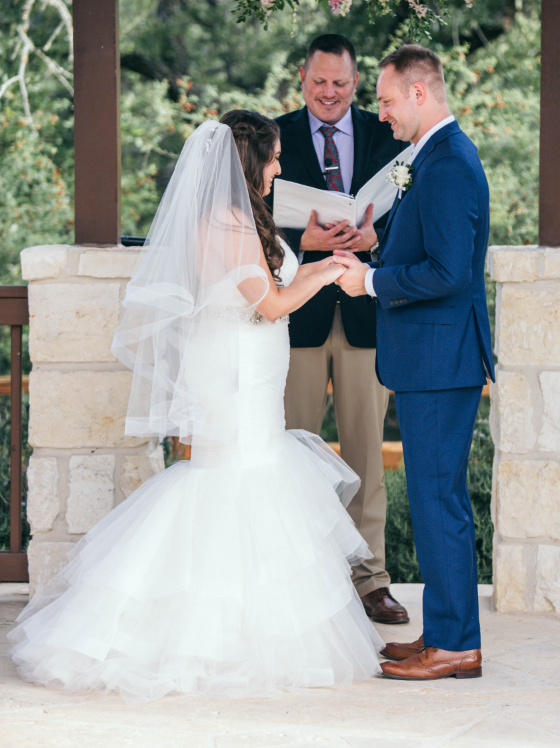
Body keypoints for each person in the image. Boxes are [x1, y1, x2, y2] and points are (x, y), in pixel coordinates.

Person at [9, 111, 383, 701]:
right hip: (232, 372)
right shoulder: (226, 225)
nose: (281, 167)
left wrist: (318, 265)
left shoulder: (240, 219)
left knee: (250, 476)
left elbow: (273, 284)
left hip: (247, 368)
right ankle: (207, 636)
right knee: (233, 479)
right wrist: (330, 272)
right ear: (250, 163)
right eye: (275, 157)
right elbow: (273, 305)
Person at [334, 45, 495, 681]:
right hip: (433, 357)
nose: (383, 112)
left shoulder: (449, 162)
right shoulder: (432, 157)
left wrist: (370, 283)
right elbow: (427, 243)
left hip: (440, 358)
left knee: (436, 501)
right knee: (435, 500)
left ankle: (454, 646)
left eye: (388, 99)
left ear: (420, 94)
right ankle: (446, 633)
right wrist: (378, 240)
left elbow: (450, 272)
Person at [274, 34, 410, 625]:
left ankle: (370, 580)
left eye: (341, 84)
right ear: (302, 77)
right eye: (319, 82)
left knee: (364, 458)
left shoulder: (388, 136)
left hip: (364, 315)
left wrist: (378, 237)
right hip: (295, 312)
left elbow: (412, 212)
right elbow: (246, 216)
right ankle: (293, 575)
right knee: (289, 454)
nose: (329, 94)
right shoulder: (273, 136)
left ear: (356, 84)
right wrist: (301, 242)